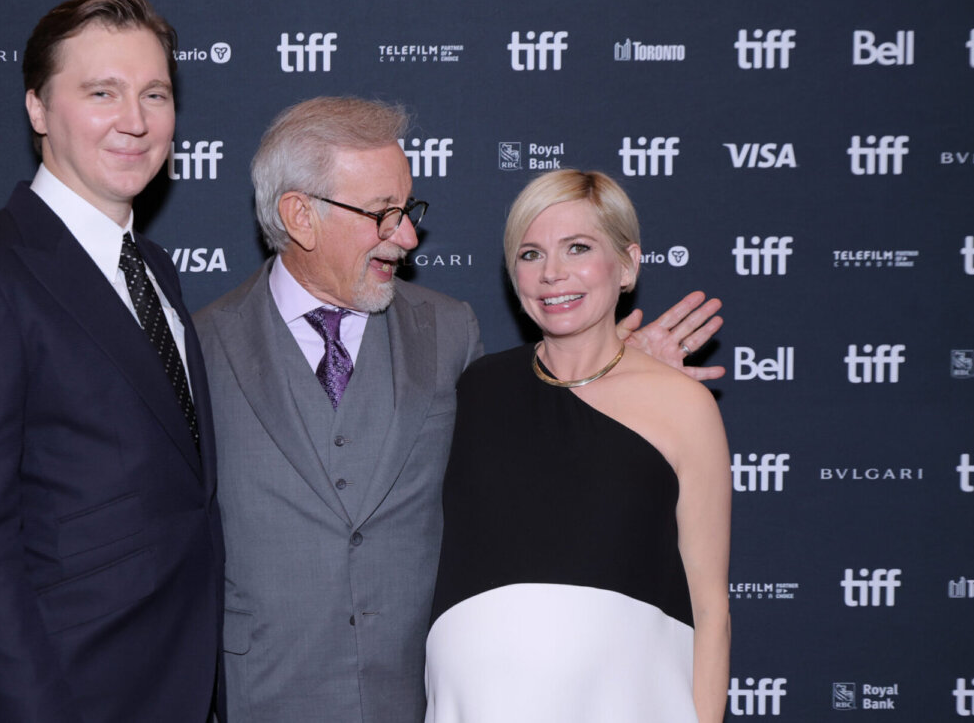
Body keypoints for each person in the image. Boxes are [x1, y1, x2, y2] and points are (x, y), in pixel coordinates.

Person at [192, 98, 724, 722]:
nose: (409, 236)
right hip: (263, 695)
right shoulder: (196, 346)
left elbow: (540, 440)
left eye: (409, 211)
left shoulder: (448, 332)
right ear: (300, 216)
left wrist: (620, 363)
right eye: (383, 214)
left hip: (424, 699)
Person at [0, 0, 221, 721]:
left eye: (155, 94)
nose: (134, 120)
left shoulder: (154, 270)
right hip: (77, 694)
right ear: (39, 110)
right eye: (101, 92)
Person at [425, 169, 731, 722]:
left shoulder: (684, 407)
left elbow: (710, 607)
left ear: (628, 264)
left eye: (578, 248)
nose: (552, 274)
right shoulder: (476, 388)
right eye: (530, 254)